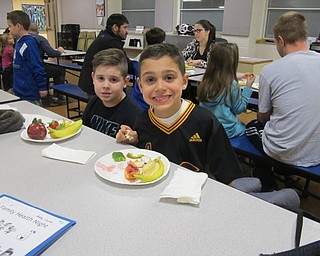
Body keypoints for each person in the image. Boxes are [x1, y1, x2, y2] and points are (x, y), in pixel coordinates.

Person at [116, 43, 244, 185]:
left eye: (169, 78)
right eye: (150, 80)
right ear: (140, 86)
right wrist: (133, 142)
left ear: (184, 81)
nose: (160, 87)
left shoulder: (205, 122)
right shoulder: (141, 120)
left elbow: (229, 175)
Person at [245, 11, 320, 189]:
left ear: (281, 40)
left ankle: (266, 182)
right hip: (316, 153)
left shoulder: (271, 71)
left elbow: (263, 117)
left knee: (252, 127)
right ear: (305, 36)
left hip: (283, 153)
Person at [197, 43, 256, 138]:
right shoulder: (231, 85)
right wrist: (248, 87)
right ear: (232, 63)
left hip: (207, 129)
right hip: (227, 131)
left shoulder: (205, 81)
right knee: (249, 127)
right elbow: (239, 109)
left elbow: (220, 78)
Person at [82, 48, 142, 138]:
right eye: (101, 78)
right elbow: (85, 131)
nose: (106, 86)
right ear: (93, 78)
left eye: (113, 79)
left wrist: (133, 140)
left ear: (125, 82)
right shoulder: (93, 103)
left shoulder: (134, 114)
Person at [78, 13, 134, 96]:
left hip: (89, 82)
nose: (127, 31)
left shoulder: (104, 36)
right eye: (125, 27)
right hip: (95, 86)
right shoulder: (111, 42)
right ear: (115, 27)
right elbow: (125, 64)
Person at [7, 10, 47, 105]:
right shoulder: (19, 41)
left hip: (30, 94)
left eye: (10, 26)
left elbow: (37, 66)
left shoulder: (29, 43)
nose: (8, 29)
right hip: (20, 91)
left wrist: (42, 87)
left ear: (18, 26)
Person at [28, 22, 66, 106]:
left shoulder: (22, 39)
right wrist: (59, 50)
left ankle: (46, 95)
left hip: (27, 70)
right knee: (60, 70)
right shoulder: (40, 39)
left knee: (47, 69)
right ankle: (57, 97)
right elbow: (52, 53)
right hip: (38, 68)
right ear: (37, 31)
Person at [131, 27, 166, 111]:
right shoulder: (157, 61)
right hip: (148, 102)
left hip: (136, 97)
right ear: (162, 42)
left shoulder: (139, 57)